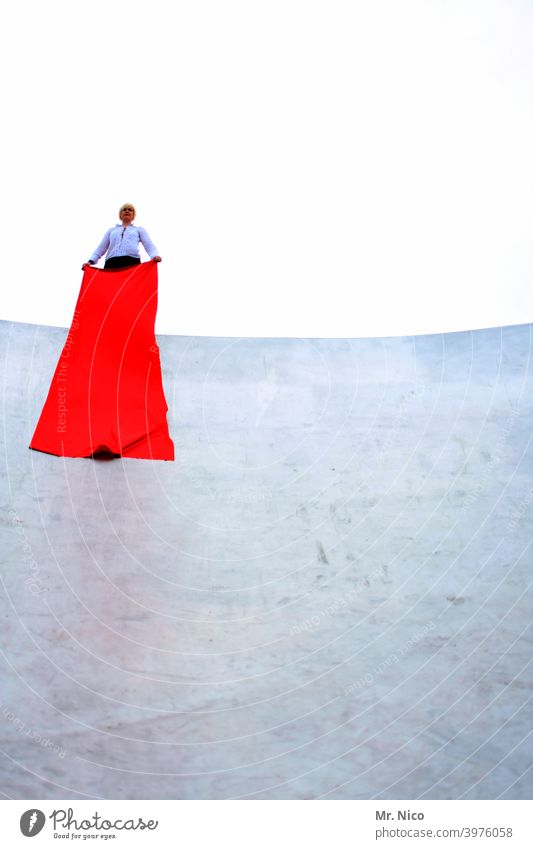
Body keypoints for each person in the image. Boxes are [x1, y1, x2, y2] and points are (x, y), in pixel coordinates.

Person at [82, 203, 162, 270]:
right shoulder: (111, 230)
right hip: (111, 263)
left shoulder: (139, 230)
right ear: (120, 214)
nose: (127, 211)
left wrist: (154, 256)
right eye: (124, 209)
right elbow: (101, 248)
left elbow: (149, 245)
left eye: (130, 210)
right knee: (112, 287)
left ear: (133, 215)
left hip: (131, 262)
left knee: (131, 287)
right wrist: (90, 261)